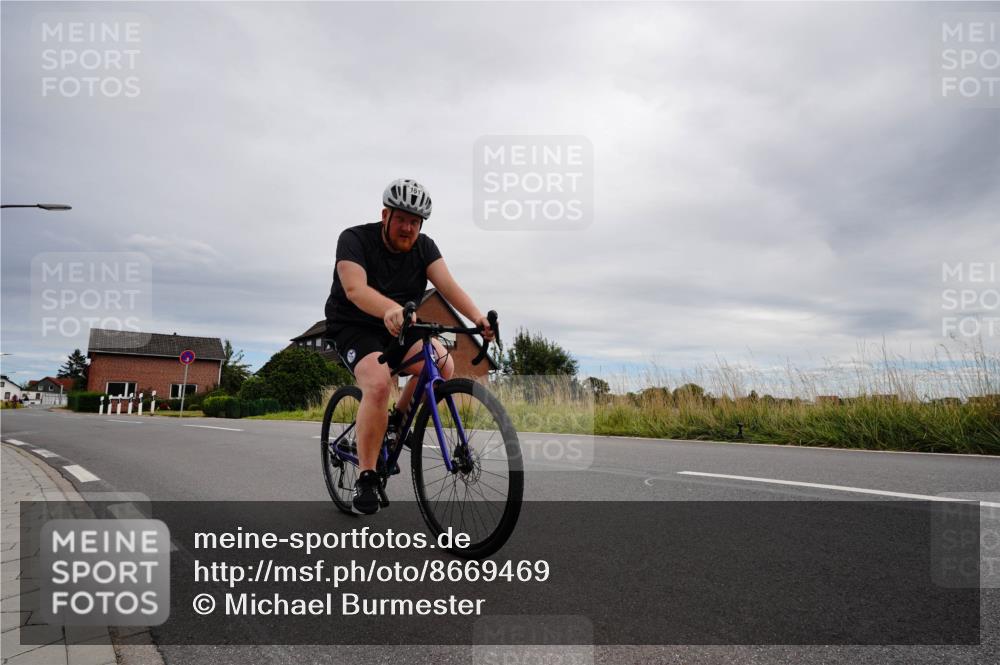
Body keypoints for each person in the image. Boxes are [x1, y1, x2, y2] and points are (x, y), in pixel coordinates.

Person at [324, 179, 495, 514]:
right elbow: (355, 289)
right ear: (385, 215)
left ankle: (396, 422)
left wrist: (477, 317)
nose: (407, 228)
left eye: (415, 222)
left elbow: (448, 286)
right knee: (378, 384)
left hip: (402, 325)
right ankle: (367, 477)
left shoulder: (424, 247)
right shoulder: (354, 239)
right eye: (401, 219)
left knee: (443, 364)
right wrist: (390, 308)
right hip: (354, 326)